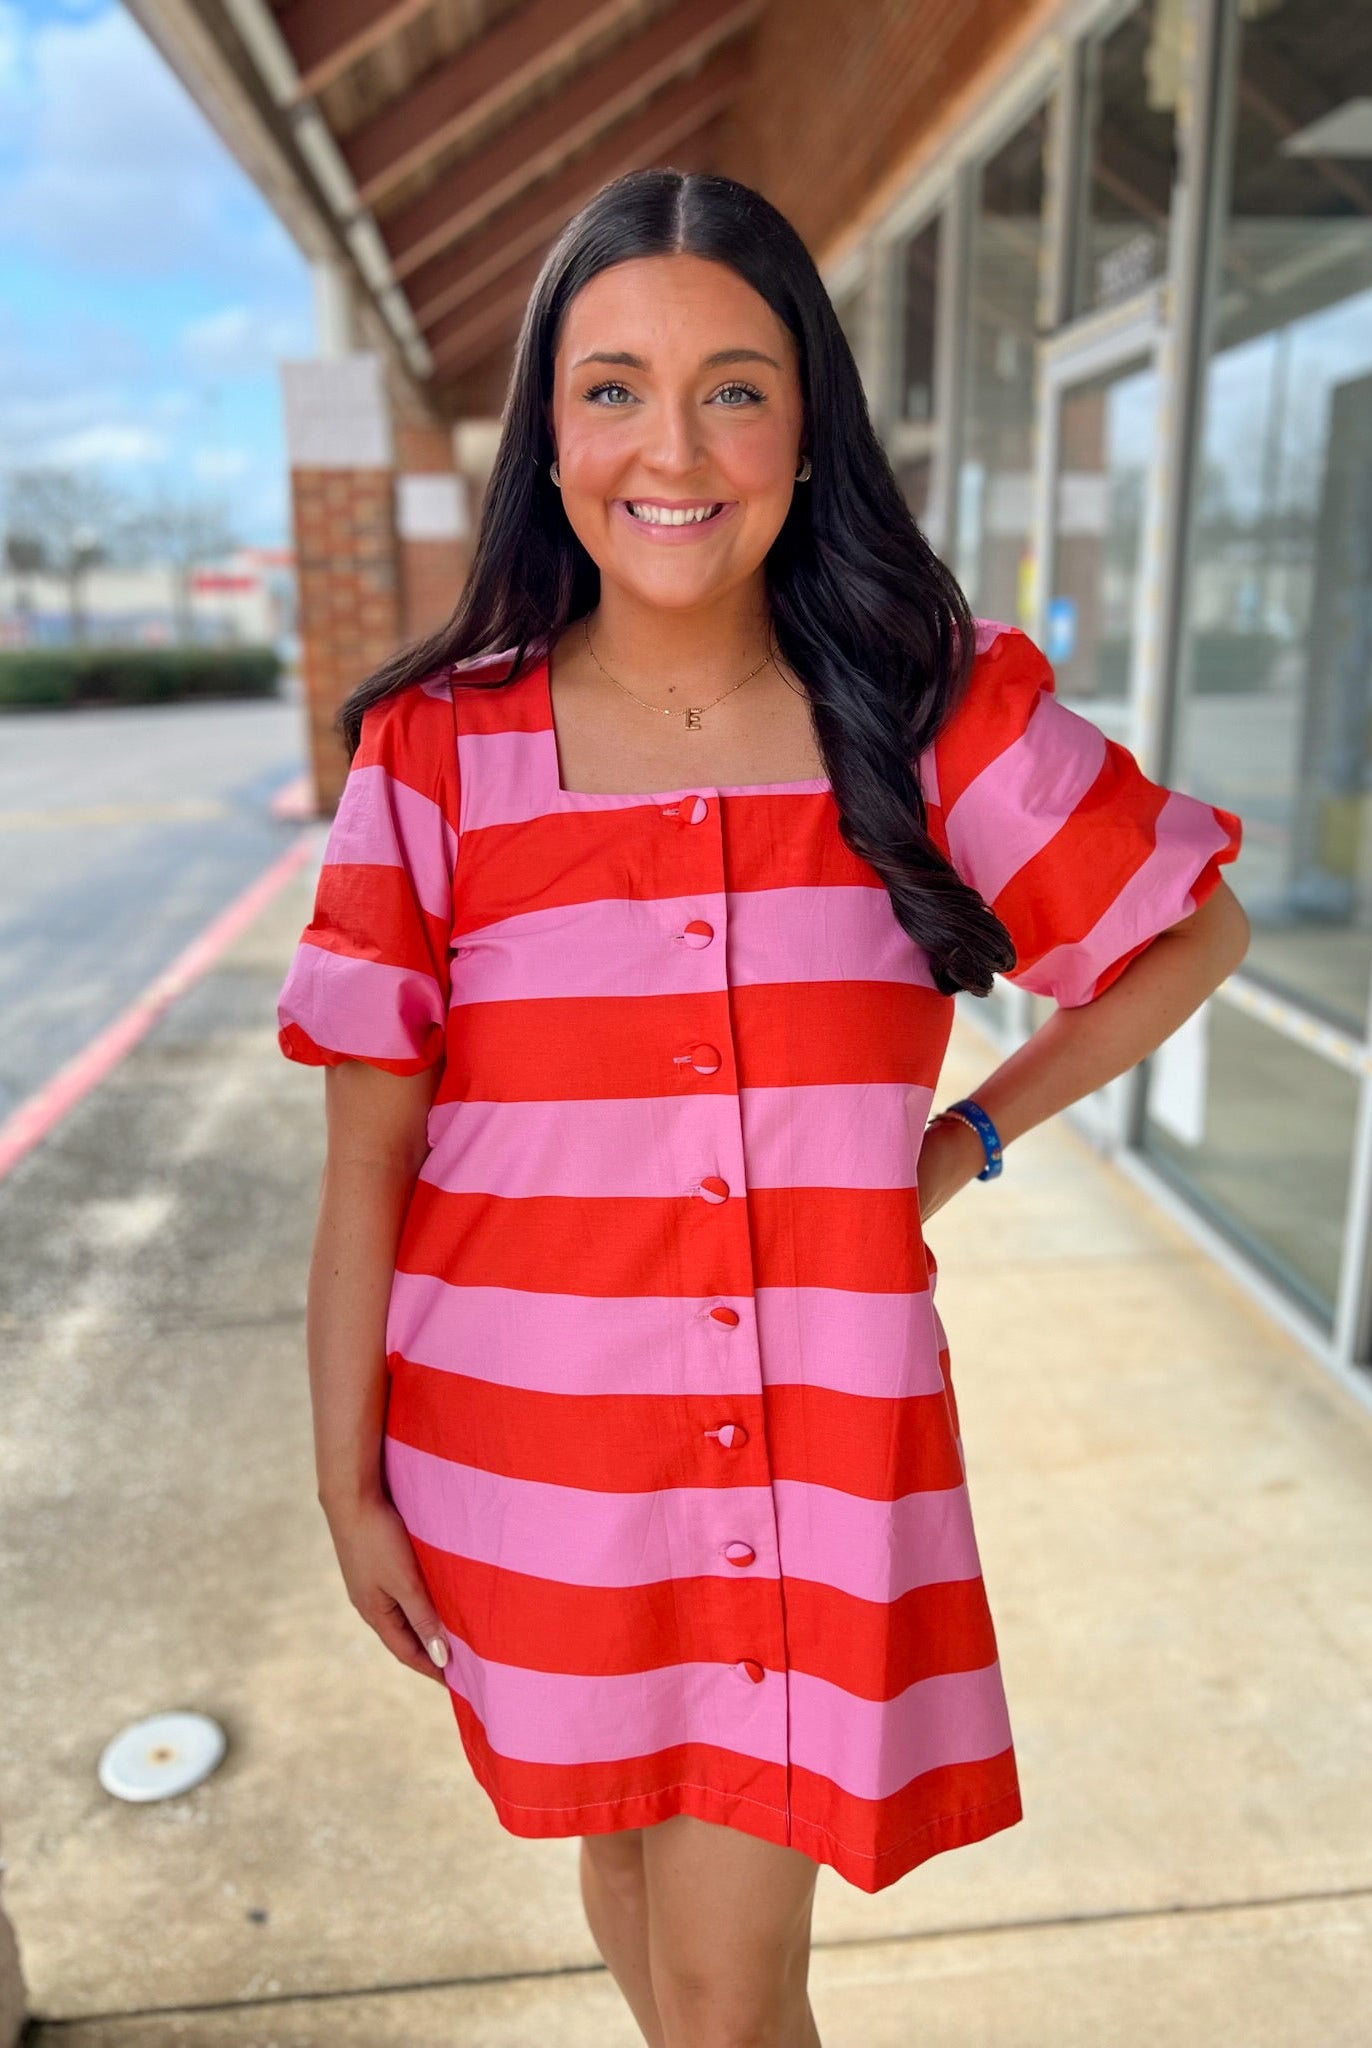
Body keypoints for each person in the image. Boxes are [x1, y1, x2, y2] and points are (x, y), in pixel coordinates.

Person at [275, 167, 1247, 2048]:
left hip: (799, 1468)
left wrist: (961, 1143)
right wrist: (349, 1481)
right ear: (548, 435)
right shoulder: (432, 758)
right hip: (519, 1465)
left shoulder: (922, 714)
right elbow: (368, 1164)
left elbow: (1177, 937)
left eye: (734, 384)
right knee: (628, 1876)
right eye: (613, 385)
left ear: (808, 428)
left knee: (731, 2006)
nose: (675, 443)